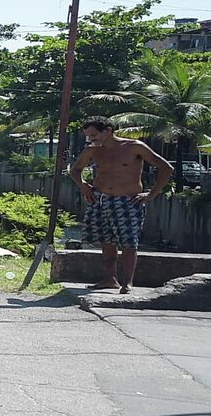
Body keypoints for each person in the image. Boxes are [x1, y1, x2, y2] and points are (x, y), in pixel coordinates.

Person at [72, 116, 174, 294]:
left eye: (94, 134)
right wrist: (83, 186)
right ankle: (110, 278)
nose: (91, 139)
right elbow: (75, 170)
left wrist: (151, 194)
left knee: (128, 242)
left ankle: (127, 282)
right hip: (100, 200)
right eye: (88, 135)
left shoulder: (134, 147)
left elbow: (166, 168)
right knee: (107, 241)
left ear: (108, 131)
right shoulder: (92, 150)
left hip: (128, 201)